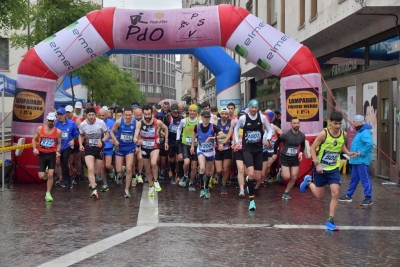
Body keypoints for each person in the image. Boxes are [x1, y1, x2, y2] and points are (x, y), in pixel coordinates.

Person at [300, 111, 356, 231]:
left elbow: (341, 146)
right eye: (335, 123)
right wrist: (317, 164)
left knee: (335, 192)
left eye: (340, 123)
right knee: (319, 195)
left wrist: (348, 153)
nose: (338, 126)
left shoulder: (343, 134)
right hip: (320, 168)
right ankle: (309, 181)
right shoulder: (323, 134)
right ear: (330, 122)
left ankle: (330, 221)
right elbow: (312, 148)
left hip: (333, 169)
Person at [234, 99, 272, 211]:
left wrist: (268, 139)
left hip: (258, 150)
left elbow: (270, 130)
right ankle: (252, 201)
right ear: (249, 108)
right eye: (252, 107)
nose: (254, 109)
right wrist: (236, 141)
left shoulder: (262, 117)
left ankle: (248, 180)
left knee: (258, 177)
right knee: (251, 173)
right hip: (247, 149)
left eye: (256, 108)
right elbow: (236, 129)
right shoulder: (243, 118)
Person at [134, 104, 169, 197]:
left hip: (155, 146)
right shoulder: (140, 123)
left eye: (149, 114)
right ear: (143, 114)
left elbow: (166, 128)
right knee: (148, 170)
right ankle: (151, 185)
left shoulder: (157, 122)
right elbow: (135, 136)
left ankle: (156, 181)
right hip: (145, 148)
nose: (147, 116)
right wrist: (137, 140)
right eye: (145, 114)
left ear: (152, 113)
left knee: (153, 163)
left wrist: (166, 141)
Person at [339, 115, 374, 205]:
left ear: (360, 122)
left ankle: (368, 198)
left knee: (365, 179)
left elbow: (370, 144)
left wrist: (360, 153)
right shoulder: (360, 131)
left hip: (362, 160)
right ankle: (348, 195)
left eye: (355, 121)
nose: (353, 123)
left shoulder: (365, 132)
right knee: (354, 179)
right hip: (356, 160)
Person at [190, 111, 226, 199]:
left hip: (210, 152)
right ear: (201, 118)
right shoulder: (197, 127)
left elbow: (223, 135)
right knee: (202, 167)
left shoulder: (213, 127)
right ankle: (202, 188)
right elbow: (194, 134)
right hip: (201, 150)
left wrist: (213, 138)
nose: (206, 119)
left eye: (208, 117)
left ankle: (206, 187)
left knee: (208, 172)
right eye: (205, 117)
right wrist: (192, 145)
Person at [79, 107, 109, 199]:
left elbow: (107, 134)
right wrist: (80, 144)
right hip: (89, 149)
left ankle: (93, 182)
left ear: (95, 115)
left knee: (96, 171)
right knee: (90, 168)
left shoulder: (101, 123)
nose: (91, 117)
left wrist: (102, 141)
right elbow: (80, 135)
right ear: (86, 116)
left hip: (99, 148)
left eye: (92, 115)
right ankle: (94, 190)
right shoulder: (83, 124)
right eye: (89, 115)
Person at [272, 117, 305, 200]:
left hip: (294, 158)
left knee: (294, 177)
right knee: (286, 177)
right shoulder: (286, 134)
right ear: (291, 124)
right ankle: (281, 172)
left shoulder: (301, 135)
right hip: (285, 157)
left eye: (298, 123)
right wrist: (275, 153)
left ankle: (286, 193)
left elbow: (303, 145)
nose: (296, 125)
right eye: (294, 123)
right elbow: (276, 143)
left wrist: (301, 152)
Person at [32, 113, 62, 202]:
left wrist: (57, 151)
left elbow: (59, 143)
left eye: (52, 121)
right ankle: (47, 173)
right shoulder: (40, 129)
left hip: (51, 154)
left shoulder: (58, 131)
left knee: (50, 174)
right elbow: (34, 139)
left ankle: (48, 193)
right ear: (47, 120)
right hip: (42, 154)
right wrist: (34, 149)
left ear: (54, 121)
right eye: (49, 120)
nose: (50, 122)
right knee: (41, 176)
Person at [110, 107, 137, 198]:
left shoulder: (135, 122)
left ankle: (126, 190)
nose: (128, 117)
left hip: (130, 147)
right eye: (126, 115)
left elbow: (138, 133)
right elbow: (111, 132)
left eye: (130, 115)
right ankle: (123, 171)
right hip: (120, 147)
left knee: (129, 168)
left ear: (132, 114)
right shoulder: (118, 121)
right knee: (118, 170)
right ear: (123, 114)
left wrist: (136, 140)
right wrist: (115, 140)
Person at [176, 104, 200, 191]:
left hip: (196, 145)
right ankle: (185, 176)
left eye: (194, 111)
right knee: (186, 162)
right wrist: (178, 139)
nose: (192, 112)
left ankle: (191, 182)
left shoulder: (199, 121)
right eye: (191, 110)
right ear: (188, 111)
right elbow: (178, 129)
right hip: (186, 144)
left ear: (197, 112)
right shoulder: (184, 121)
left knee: (194, 166)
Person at [55, 107, 79, 190]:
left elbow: (76, 134)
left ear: (65, 115)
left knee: (65, 160)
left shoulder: (72, 123)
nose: (59, 116)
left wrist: (73, 140)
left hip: (67, 146)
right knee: (62, 162)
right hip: (59, 146)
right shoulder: (56, 124)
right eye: (58, 114)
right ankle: (67, 178)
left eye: (61, 114)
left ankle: (67, 179)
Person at [214, 107, 234, 195]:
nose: (224, 115)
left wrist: (224, 143)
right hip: (218, 149)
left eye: (226, 114)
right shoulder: (216, 122)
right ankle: (220, 177)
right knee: (219, 170)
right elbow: (213, 133)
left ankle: (224, 185)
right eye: (223, 114)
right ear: (220, 114)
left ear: (228, 115)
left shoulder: (231, 122)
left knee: (226, 169)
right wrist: (214, 142)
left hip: (227, 148)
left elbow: (229, 135)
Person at [163, 103, 182, 184]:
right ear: (170, 112)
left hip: (179, 141)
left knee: (179, 159)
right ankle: (173, 173)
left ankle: (179, 174)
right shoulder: (167, 118)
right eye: (173, 112)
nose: (175, 114)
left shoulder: (182, 118)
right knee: (172, 159)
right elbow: (164, 129)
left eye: (176, 112)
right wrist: (166, 140)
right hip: (170, 141)